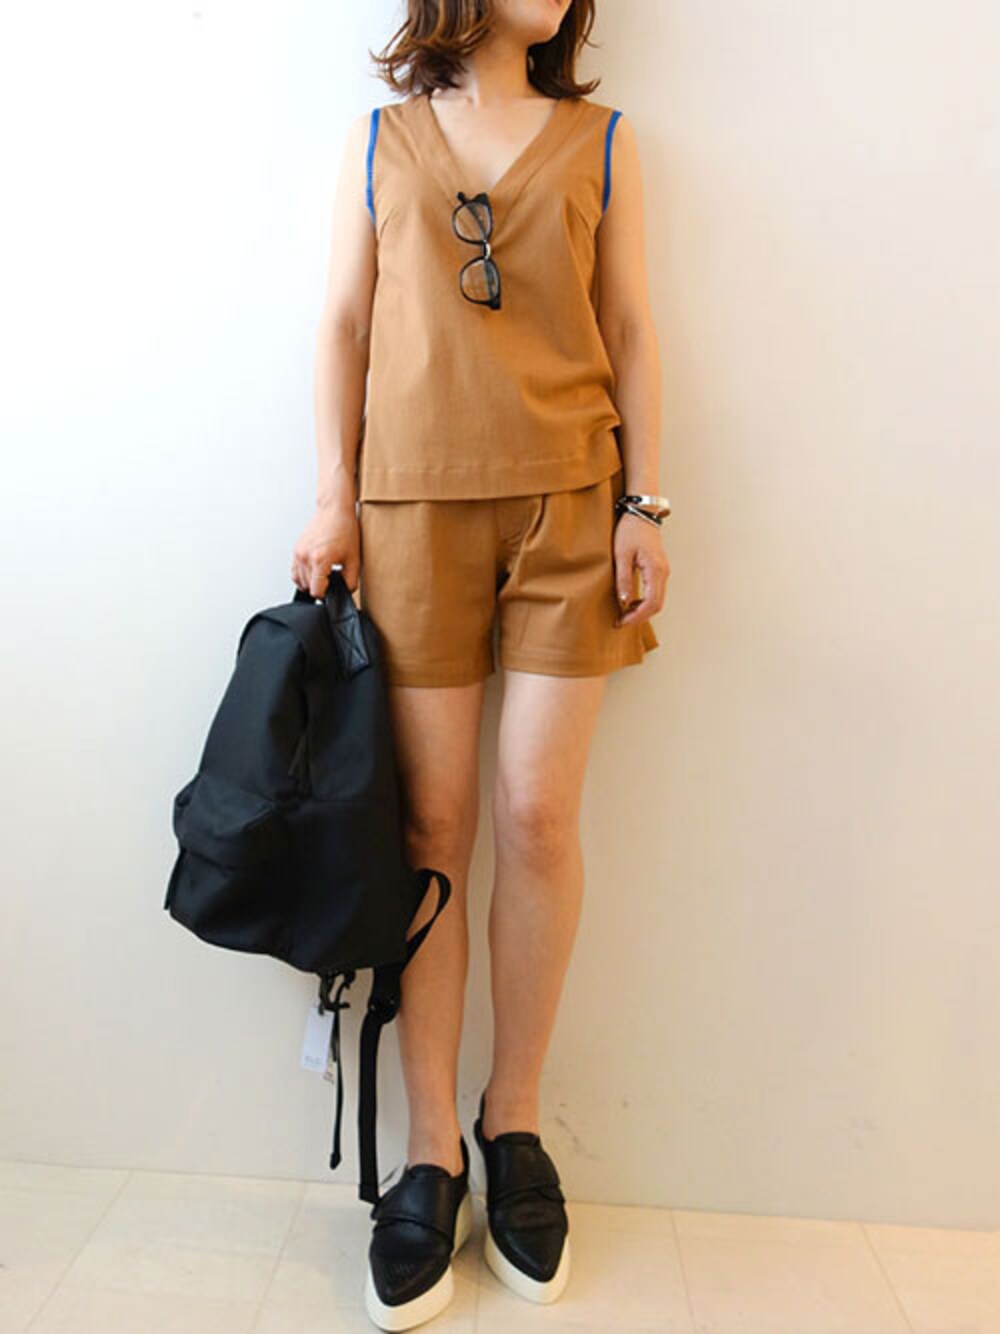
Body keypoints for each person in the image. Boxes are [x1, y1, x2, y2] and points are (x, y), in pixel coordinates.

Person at [291, 1, 670, 1327]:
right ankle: (428, 1153)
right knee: (432, 827)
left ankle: (516, 1124)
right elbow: (344, 324)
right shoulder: (379, 140)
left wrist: (646, 502)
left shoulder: (604, 140)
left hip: (572, 504)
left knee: (538, 815)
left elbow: (633, 326)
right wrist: (332, 496)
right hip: (407, 508)